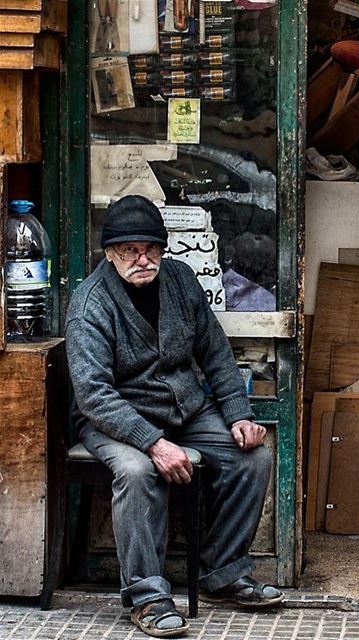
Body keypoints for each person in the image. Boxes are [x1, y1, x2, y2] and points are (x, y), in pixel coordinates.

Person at [65, 195, 283, 638]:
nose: (142, 259)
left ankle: (222, 574)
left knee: (252, 458)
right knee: (137, 470)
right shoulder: (90, 304)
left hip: (184, 407)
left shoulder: (182, 281)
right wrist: (153, 442)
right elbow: (93, 395)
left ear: (163, 250)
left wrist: (239, 414)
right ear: (110, 253)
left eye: (150, 248)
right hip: (115, 418)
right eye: (130, 250)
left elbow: (216, 353)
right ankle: (147, 598)